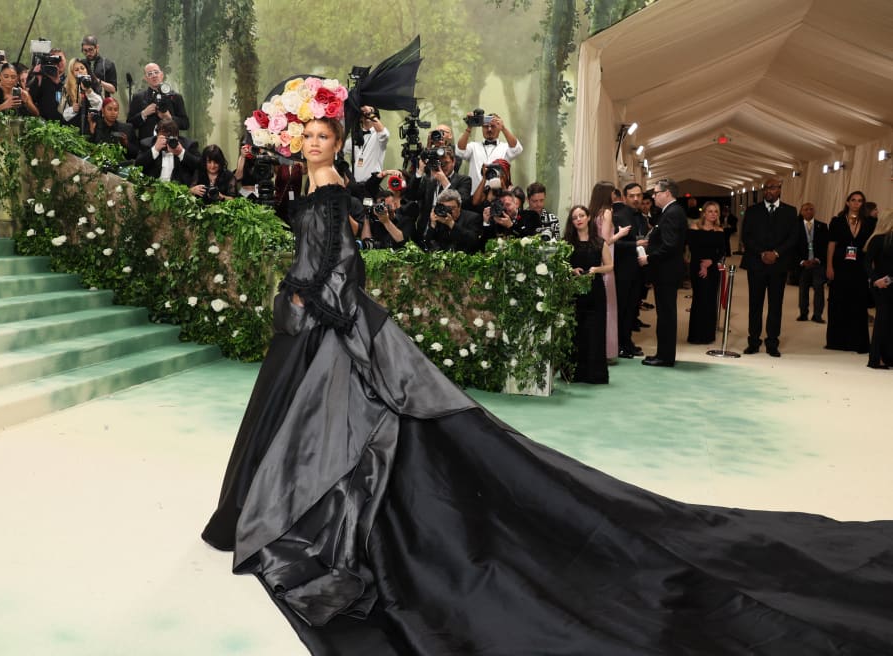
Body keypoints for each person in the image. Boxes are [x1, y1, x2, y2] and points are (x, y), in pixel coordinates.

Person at [202, 78, 893, 655]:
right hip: (325, 318)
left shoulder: (326, 192)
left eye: (323, 134)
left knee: (348, 424)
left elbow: (340, 265)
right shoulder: (320, 185)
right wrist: (308, 293)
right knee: (320, 416)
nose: (314, 142)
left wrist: (306, 299)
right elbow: (333, 260)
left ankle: (305, 509)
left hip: (328, 320)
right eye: (309, 135)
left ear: (334, 138)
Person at [741, 178, 798, 357]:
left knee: (775, 305)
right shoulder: (752, 211)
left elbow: (793, 237)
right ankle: (754, 341)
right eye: (766, 188)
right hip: (756, 264)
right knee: (755, 303)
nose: (769, 191)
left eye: (772, 188)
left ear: (780, 190)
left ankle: (772, 342)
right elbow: (746, 236)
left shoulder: (790, 211)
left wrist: (776, 253)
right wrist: (762, 253)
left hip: (778, 265)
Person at [638, 178, 687, 366]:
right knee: (665, 314)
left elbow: (670, 246)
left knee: (666, 315)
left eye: (656, 193)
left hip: (667, 272)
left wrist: (648, 258)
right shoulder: (671, 211)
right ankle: (663, 354)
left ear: (667, 193)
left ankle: (665, 357)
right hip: (667, 271)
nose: (653, 196)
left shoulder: (672, 213)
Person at [564, 204, 612, 383]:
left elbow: (610, 265)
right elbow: (562, 265)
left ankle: (595, 374)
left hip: (596, 292)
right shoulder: (567, 243)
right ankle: (574, 373)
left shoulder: (599, 242)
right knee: (576, 332)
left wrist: (596, 269)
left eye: (581, 215)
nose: (578, 219)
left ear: (589, 217)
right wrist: (571, 270)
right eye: (575, 217)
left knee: (595, 331)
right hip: (574, 293)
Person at [826, 190, 876, 354]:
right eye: (853, 200)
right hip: (840, 265)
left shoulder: (869, 222)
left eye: (860, 200)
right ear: (847, 202)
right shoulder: (837, 221)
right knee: (838, 301)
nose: (856, 203)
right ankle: (837, 341)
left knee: (858, 302)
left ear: (863, 204)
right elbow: (831, 244)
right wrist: (829, 266)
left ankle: (857, 341)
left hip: (860, 266)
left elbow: (872, 246)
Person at [589, 181, 630, 361]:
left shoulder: (592, 212)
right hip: (605, 260)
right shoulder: (606, 212)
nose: (615, 195)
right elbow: (605, 241)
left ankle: (596, 347)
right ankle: (607, 350)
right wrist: (620, 234)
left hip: (594, 259)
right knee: (608, 306)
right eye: (613, 192)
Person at [613, 182, 647, 357]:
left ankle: (627, 342)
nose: (636, 199)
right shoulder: (619, 215)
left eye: (639, 195)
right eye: (632, 196)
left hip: (637, 269)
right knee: (623, 308)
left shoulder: (639, 216)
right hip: (622, 270)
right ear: (625, 197)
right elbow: (613, 244)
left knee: (632, 308)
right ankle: (620, 344)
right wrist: (636, 244)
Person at [685, 201, 725, 344]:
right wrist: (703, 265)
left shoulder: (720, 230)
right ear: (704, 213)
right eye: (710, 211)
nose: (713, 214)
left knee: (710, 300)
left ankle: (708, 335)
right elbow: (693, 248)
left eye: (716, 211)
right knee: (699, 299)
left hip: (713, 268)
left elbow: (722, 251)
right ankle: (696, 335)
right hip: (697, 266)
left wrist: (711, 262)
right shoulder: (695, 227)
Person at [455, 110, 522, 191]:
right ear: (482, 128)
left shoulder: (505, 147)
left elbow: (517, 149)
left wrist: (503, 128)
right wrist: (469, 126)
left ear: (499, 128)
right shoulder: (473, 146)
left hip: (499, 196)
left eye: (493, 126)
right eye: (486, 126)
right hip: (475, 196)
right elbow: (460, 151)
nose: (489, 129)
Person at [128, 62, 189, 143]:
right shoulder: (138, 97)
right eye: (150, 74)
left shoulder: (175, 97)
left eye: (156, 72)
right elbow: (129, 124)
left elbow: (185, 124)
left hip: (171, 146)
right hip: (146, 147)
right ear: (145, 78)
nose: (154, 75)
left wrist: (170, 118)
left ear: (162, 75)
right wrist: (143, 114)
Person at [865, 209, 893, 369]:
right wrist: (876, 280)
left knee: (890, 323)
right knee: (882, 321)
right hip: (882, 285)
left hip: (889, 283)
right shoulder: (877, 239)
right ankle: (875, 358)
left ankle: (888, 356)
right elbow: (867, 263)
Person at [134, 118, 197, 185]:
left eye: (171, 137)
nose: (167, 141)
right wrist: (155, 150)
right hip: (152, 189)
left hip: (179, 190)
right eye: (164, 137)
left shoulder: (188, 145)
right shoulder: (146, 143)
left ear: (177, 136)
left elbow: (199, 165)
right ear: (157, 135)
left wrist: (181, 152)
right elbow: (138, 165)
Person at [795, 202, 828, 323]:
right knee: (803, 289)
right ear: (801, 212)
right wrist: (802, 261)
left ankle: (817, 315)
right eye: (806, 209)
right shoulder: (795, 226)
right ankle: (803, 313)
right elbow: (793, 247)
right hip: (803, 264)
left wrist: (818, 259)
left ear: (814, 211)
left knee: (819, 288)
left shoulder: (822, 226)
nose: (808, 211)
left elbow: (826, 246)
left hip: (817, 263)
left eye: (811, 209)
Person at [343, 105, 389, 183]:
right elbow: (339, 150)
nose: (367, 116)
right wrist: (345, 174)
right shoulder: (355, 136)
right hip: (353, 183)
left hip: (370, 183)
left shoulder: (378, 136)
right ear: (361, 117)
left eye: (370, 114)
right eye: (364, 114)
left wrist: (370, 113)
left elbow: (384, 134)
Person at [59, 58, 102, 133]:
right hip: (73, 128)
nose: (80, 71)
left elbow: (99, 105)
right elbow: (62, 112)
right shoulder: (67, 88)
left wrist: (88, 90)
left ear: (87, 70)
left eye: (82, 68)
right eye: (76, 69)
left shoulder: (94, 84)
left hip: (91, 127)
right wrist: (72, 109)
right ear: (72, 73)